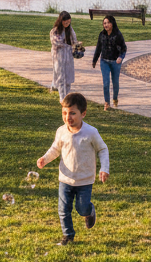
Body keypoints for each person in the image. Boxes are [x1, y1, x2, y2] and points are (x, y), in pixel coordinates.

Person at [36, 93, 109, 246]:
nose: (67, 117)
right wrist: (45, 158)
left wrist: (104, 168)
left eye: (72, 113)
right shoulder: (61, 131)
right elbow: (55, 149)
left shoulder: (91, 132)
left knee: (81, 208)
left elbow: (102, 149)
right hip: (65, 178)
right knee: (63, 209)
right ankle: (68, 236)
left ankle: (89, 211)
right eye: (64, 113)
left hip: (84, 180)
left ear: (83, 114)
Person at [91, 15, 126, 110]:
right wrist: (94, 60)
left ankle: (115, 98)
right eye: (104, 23)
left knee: (115, 83)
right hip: (104, 62)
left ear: (112, 23)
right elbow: (98, 48)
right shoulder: (102, 34)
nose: (106, 25)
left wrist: (121, 57)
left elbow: (124, 49)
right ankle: (107, 103)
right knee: (106, 83)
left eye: (108, 23)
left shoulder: (118, 35)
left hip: (115, 62)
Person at [49, 11, 77, 101]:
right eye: (65, 22)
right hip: (58, 56)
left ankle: (66, 96)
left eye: (69, 22)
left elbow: (74, 41)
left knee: (68, 77)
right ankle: (62, 98)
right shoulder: (55, 31)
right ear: (61, 21)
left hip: (68, 57)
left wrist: (77, 46)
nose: (67, 23)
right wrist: (68, 46)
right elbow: (57, 42)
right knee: (61, 76)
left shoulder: (70, 30)